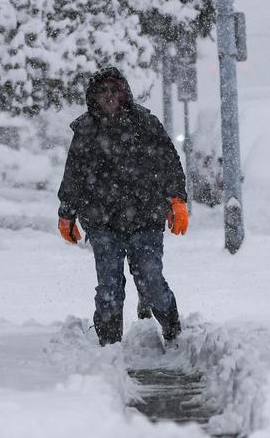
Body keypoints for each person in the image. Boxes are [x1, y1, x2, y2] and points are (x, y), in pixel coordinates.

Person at [57, 65, 189, 346]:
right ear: (93, 96)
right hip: (102, 222)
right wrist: (66, 213)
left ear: (123, 94)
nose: (108, 96)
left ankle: (173, 332)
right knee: (109, 288)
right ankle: (109, 348)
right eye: (102, 91)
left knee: (151, 281)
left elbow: (169, 163)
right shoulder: (85, 130)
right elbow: (74, 175)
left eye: (113, 90)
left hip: (145, 218)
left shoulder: (145, 123)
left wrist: (177, 200)